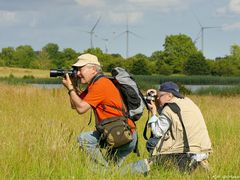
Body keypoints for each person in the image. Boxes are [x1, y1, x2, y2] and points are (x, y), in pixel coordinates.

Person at [62, 53, 137, 168]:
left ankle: (141, 166)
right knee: (112, 172)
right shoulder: (95, 84)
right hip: (115, 132)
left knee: (84, 139)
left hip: (121, 134)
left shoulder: (100, 84)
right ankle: (138, 167)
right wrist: (72, 87)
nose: (77, 73)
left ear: (93, 69)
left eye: (80, 69)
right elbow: (75, 106)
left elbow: (81, 108)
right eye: (76, 70)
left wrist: (70, 88)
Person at [122, 81, 212, 175]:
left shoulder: (168, 109)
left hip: (186, 150)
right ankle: (195, 165)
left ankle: (123, 172)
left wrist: (153, 112)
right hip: (203, 148)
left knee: (152, 142)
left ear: (169, 96)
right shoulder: (187, 101)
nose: (158, 99)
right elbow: (170, 116)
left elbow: (157, 132)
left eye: (159, 96)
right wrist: (158, 96)